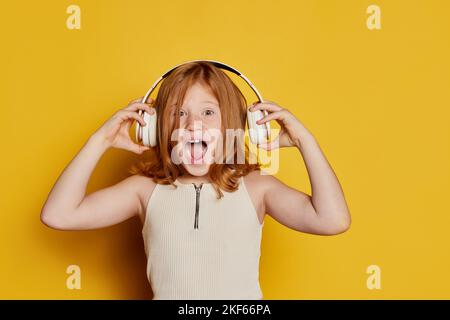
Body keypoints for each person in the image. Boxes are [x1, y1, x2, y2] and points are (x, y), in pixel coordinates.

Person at [40, 61, 351, 299]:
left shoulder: (257, 188)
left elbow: (332, 219)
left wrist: (304, 140)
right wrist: (101, 140)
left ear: (234, 125)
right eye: (179, 113)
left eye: (208, 113)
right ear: (155, 128)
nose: (193, 125)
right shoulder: (145, 191)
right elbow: (59, 214)